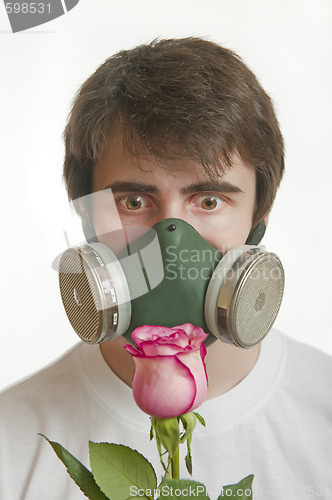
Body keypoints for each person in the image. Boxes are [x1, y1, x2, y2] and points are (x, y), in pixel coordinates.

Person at [0, 37, 331, 500]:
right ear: (87, 215)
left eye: (209, 200)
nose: (172, 241)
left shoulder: (325, 420)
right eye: (133, 201)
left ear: (261, 215)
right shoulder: (11, 449)